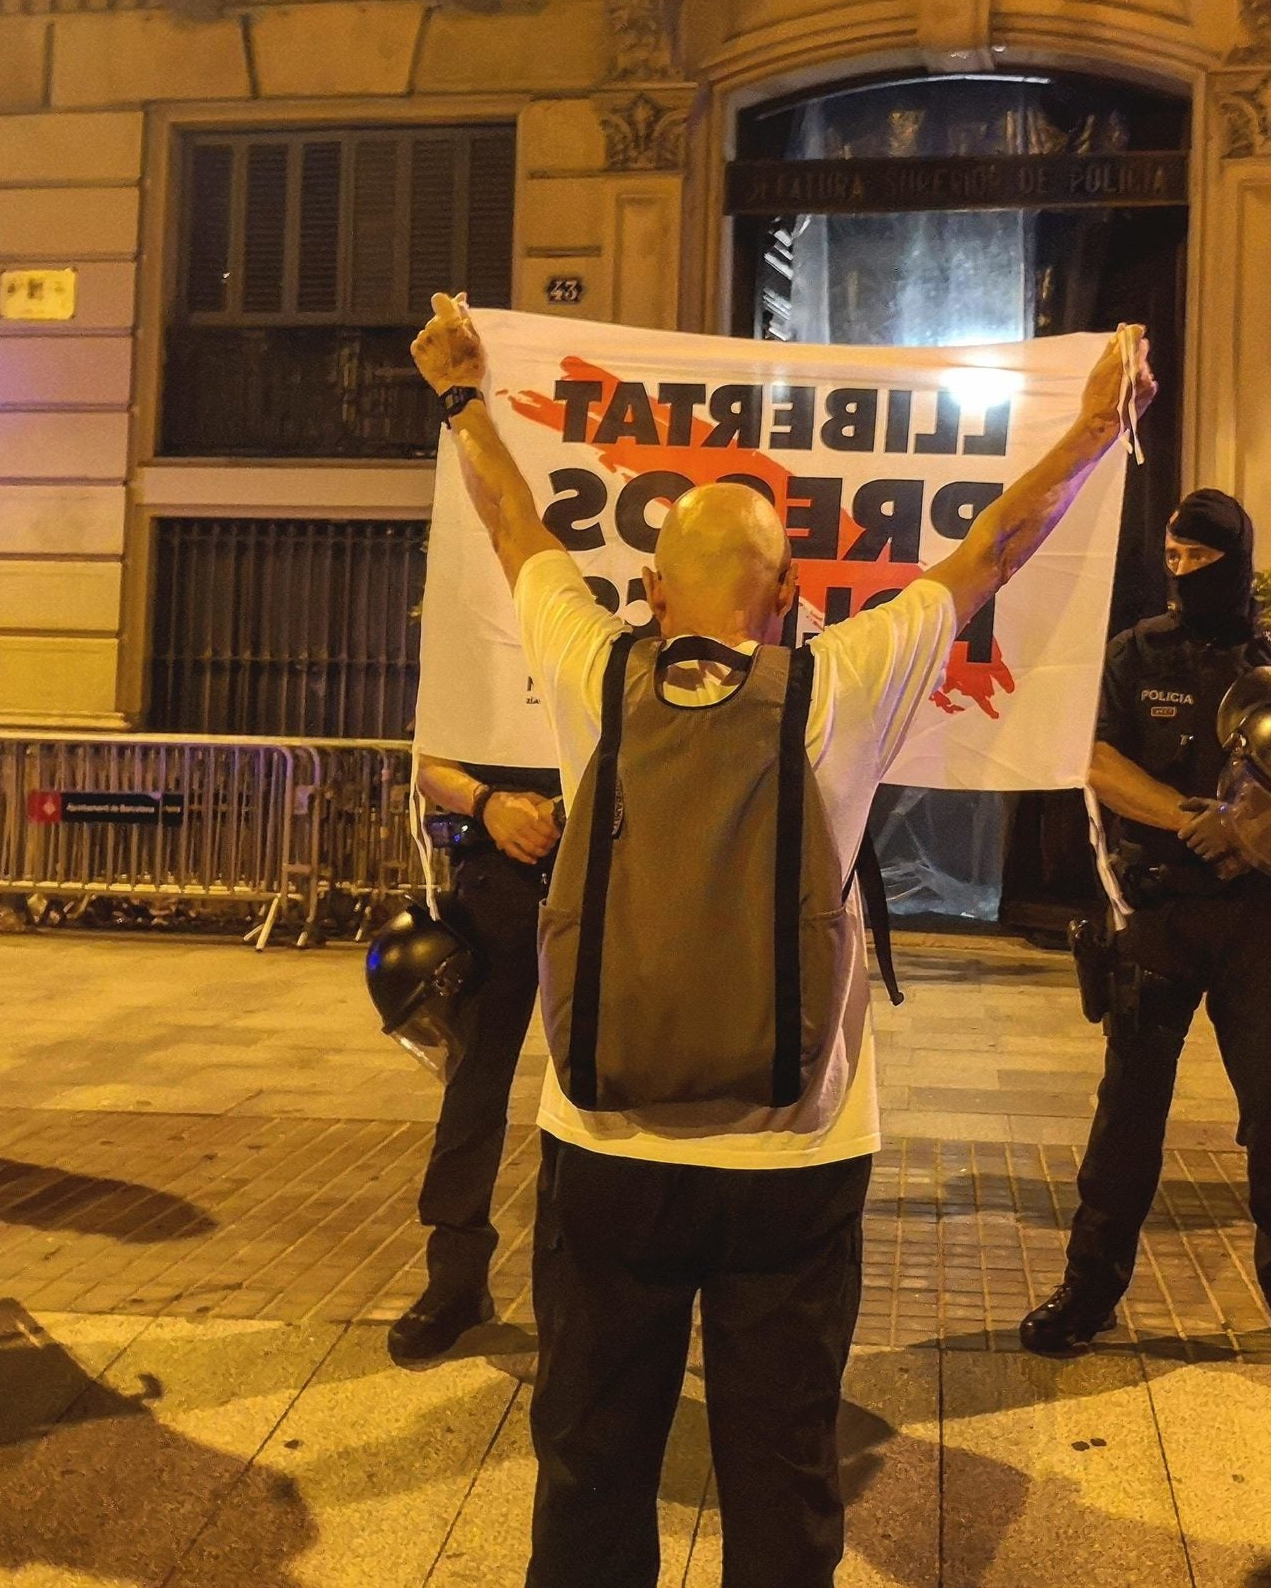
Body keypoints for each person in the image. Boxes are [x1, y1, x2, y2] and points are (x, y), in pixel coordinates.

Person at [411, 291, 1153, 1588]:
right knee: (781, 1472)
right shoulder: (842, 685)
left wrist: (467, 395)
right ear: (793, 593)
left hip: (605, 1146)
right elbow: (992, 543)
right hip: (798, 1150)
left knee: (589, 1464)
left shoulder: (591, 669)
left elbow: (515, 522)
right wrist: (1095, 427)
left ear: (647, 588)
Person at [1020, 489, 1271, 1371]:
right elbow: (1093, 759)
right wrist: (1184, 815)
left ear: (1235, 559)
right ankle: (1088, 1290)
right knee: (1128, 1113)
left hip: (1256, 916)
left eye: (1200, 559)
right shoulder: (1138, 654)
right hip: (1160, 912)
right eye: (1172, 556)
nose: (1183, 572)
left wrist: (1247, 839)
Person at [384, 752, 561, 1360]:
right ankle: (455, 1284)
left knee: (603, 1090)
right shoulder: (478, 652)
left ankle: (584, 1290)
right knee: (473, 1093)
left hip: (613, 872)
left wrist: (562, 809)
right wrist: (491, 804)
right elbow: (430, 761)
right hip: (494, 880)